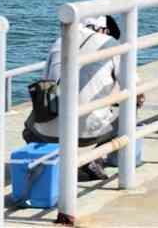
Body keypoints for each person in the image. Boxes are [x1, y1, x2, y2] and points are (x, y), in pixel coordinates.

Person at [22, 15, 136, 181]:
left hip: (45, 131)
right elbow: (135, 88)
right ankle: (93, 159)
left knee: (28, 128)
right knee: (130, 110)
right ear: (105, 30)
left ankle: (50, 159)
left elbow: (47, 83)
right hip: (86, 134)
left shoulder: (59, 42)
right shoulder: (111, 44)